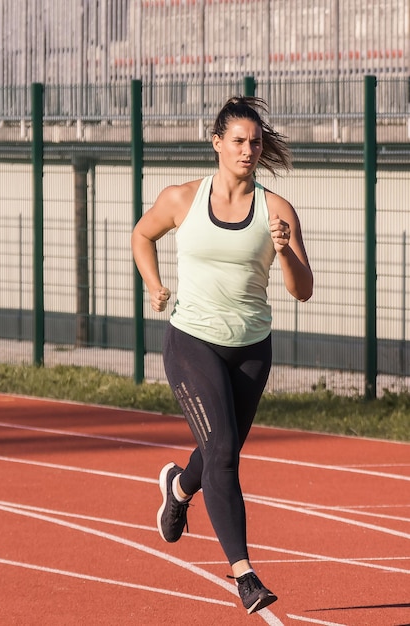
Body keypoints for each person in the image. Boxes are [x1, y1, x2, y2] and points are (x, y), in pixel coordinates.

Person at [131, 96, 313, 615]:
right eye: (238, 140)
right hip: (192, 339)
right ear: (217, 143)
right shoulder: (182, 199)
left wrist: (283, 252)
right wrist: (155, 285)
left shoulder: (276, 210)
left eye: (255, 142)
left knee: (217, 452)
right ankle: (245, 575)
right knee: (226, 451)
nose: (248, 150)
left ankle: (179, 488)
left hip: (252, 349)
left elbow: (303, 290)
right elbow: (142, 236)